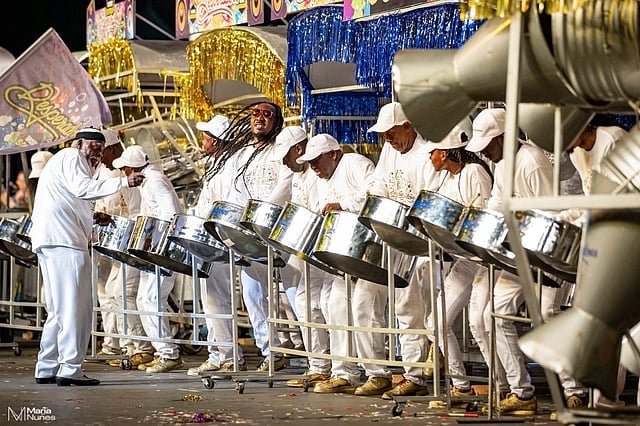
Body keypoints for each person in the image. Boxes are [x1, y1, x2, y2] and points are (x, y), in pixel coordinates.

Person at [465, 108, 588, 415]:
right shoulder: (503, 163)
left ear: (504, 138)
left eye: (488, 145)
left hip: (546, 253)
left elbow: (549, 214)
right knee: (496, 312)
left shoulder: (531, 161)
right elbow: (496, 204)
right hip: (518, 253)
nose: (485, 153)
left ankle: (576, 390)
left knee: (547, 313)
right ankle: (521, 392)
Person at [31, 127, 144, 386]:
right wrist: (124, 181)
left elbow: (71, 198)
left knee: (60, 309)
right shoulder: (72, 157)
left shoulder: (69, 162)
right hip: (65, 242)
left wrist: (92, 218)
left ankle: (47, 366)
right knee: (75, 308)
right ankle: (70, 368)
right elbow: (83, 189)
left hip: (56, 239)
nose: (98, 152)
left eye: (100, 147)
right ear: (78, 143)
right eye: (93, 145)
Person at [209, 101, 301, 372]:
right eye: (255, 114)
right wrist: (239, 221)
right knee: (252, 292)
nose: (260, 119)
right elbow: (237, 190)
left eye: (267, 114)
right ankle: (270, 350)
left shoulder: (281, 149)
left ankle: (320, 356)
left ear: (276, 120)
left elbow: (287, 185)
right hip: (252, 232)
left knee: (296, 293)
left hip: (281, 229)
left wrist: (260, 215)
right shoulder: (244, 154)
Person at [293, 134, 383, 396]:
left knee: (368, 310)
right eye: (309, 163)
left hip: (369, 250)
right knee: (333, 306)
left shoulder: (355, 163)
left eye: (316, 161)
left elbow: (374, 194)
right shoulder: (322, 179)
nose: (314, 168)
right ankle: (344, 373)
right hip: (343, 253)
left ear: (333, 154)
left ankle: (379, 373)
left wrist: (343, 205)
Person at [364, 102, 441, 399]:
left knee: (421, 309)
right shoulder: (389, 151)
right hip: (396, 237)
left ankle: (423, 373)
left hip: (423, 241)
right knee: (403, 307)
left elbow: (429, 200)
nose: (388, 140)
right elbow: (379, 185)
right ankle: (411, 373)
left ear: (407, 127)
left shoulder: (427, 153)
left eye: (392, 134)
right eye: (384, 136)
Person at [424, 121, 494, 398]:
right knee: (436, 323)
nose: (430, 158)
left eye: (433, 152)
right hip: (464, 258)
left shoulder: (475, 172)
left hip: (483, 259)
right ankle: (460, 385)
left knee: (481, 323)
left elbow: (483, 215)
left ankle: (505, 384)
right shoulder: (447, 178)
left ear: (445, 152)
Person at [113, 145, 185, 373]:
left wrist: (157, 244)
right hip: (153, 251)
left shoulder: (155, 181)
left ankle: (169, 354)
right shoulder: (148, 182)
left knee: (152, 299)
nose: (124, 172)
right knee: (145, 300)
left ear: (133, 167)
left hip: (161, 251)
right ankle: (164, 351)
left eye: (125, 168)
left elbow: (171, 213)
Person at [271, 126, 333, 388]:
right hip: (308, 251)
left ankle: (342, 368)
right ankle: (318, 366)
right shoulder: (296, 177)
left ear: (299, 149)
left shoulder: (320, 173)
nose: (285, 162)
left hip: (328, 249)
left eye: (287, 156)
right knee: (306, 305)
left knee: (332, 307)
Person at [186, 114, 248, 376]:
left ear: (217, 141)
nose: (203, 140)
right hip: (210, 237)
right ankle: (220, 352)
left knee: (217, 298)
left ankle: (227, 355)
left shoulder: (233, 166)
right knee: (210, 298)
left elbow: (230, 204)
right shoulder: (216, 165)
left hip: (220, 238)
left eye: (207, 136)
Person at [96, 129, 155, 369]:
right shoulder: (107, 173)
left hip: (131, 243)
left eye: (102, 153)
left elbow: (135, 212)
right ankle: (123, 344)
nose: (100, 158)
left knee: (123, 292)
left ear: (111, 149)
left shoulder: (130, 177)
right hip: (117, 243)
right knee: (111, 292)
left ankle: (141, 347)